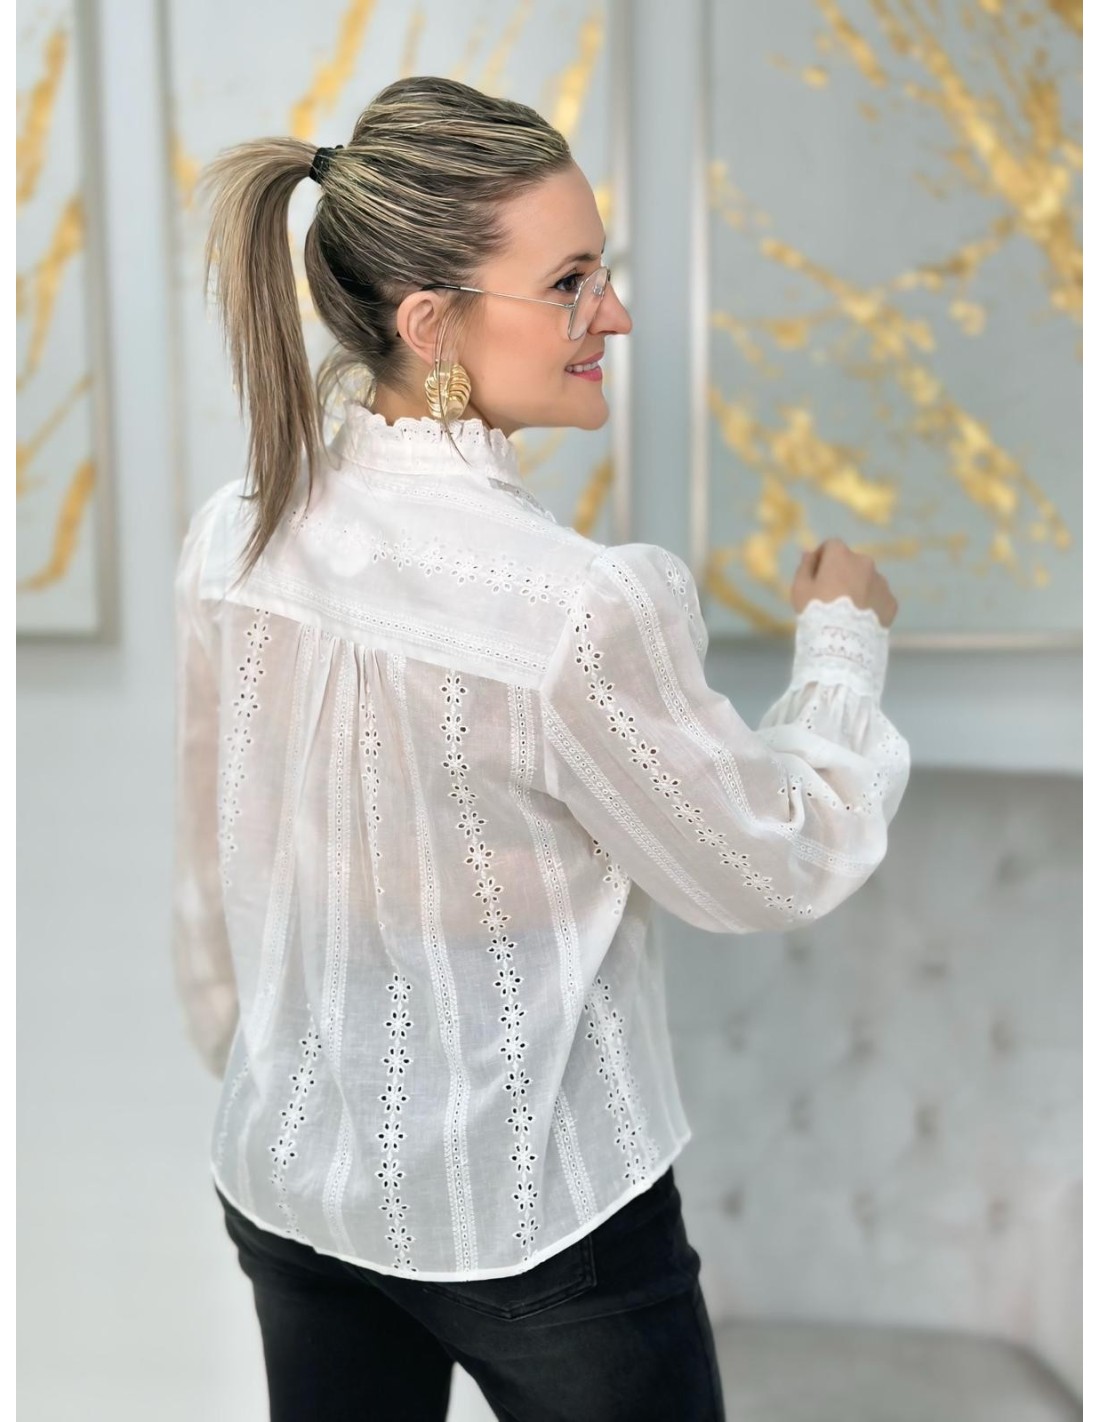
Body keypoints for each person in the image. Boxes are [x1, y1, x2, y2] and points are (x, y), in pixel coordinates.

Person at [173, 74, 909, 1422]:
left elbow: (211, 884)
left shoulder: (238, 532)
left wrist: (280, 1075)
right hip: (544, 1231)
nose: (611, 314)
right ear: (431, 324)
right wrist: (843, 647)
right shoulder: (580, 606)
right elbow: (771, 865)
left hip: (291, 1179)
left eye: (601, 272)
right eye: (570, 283)